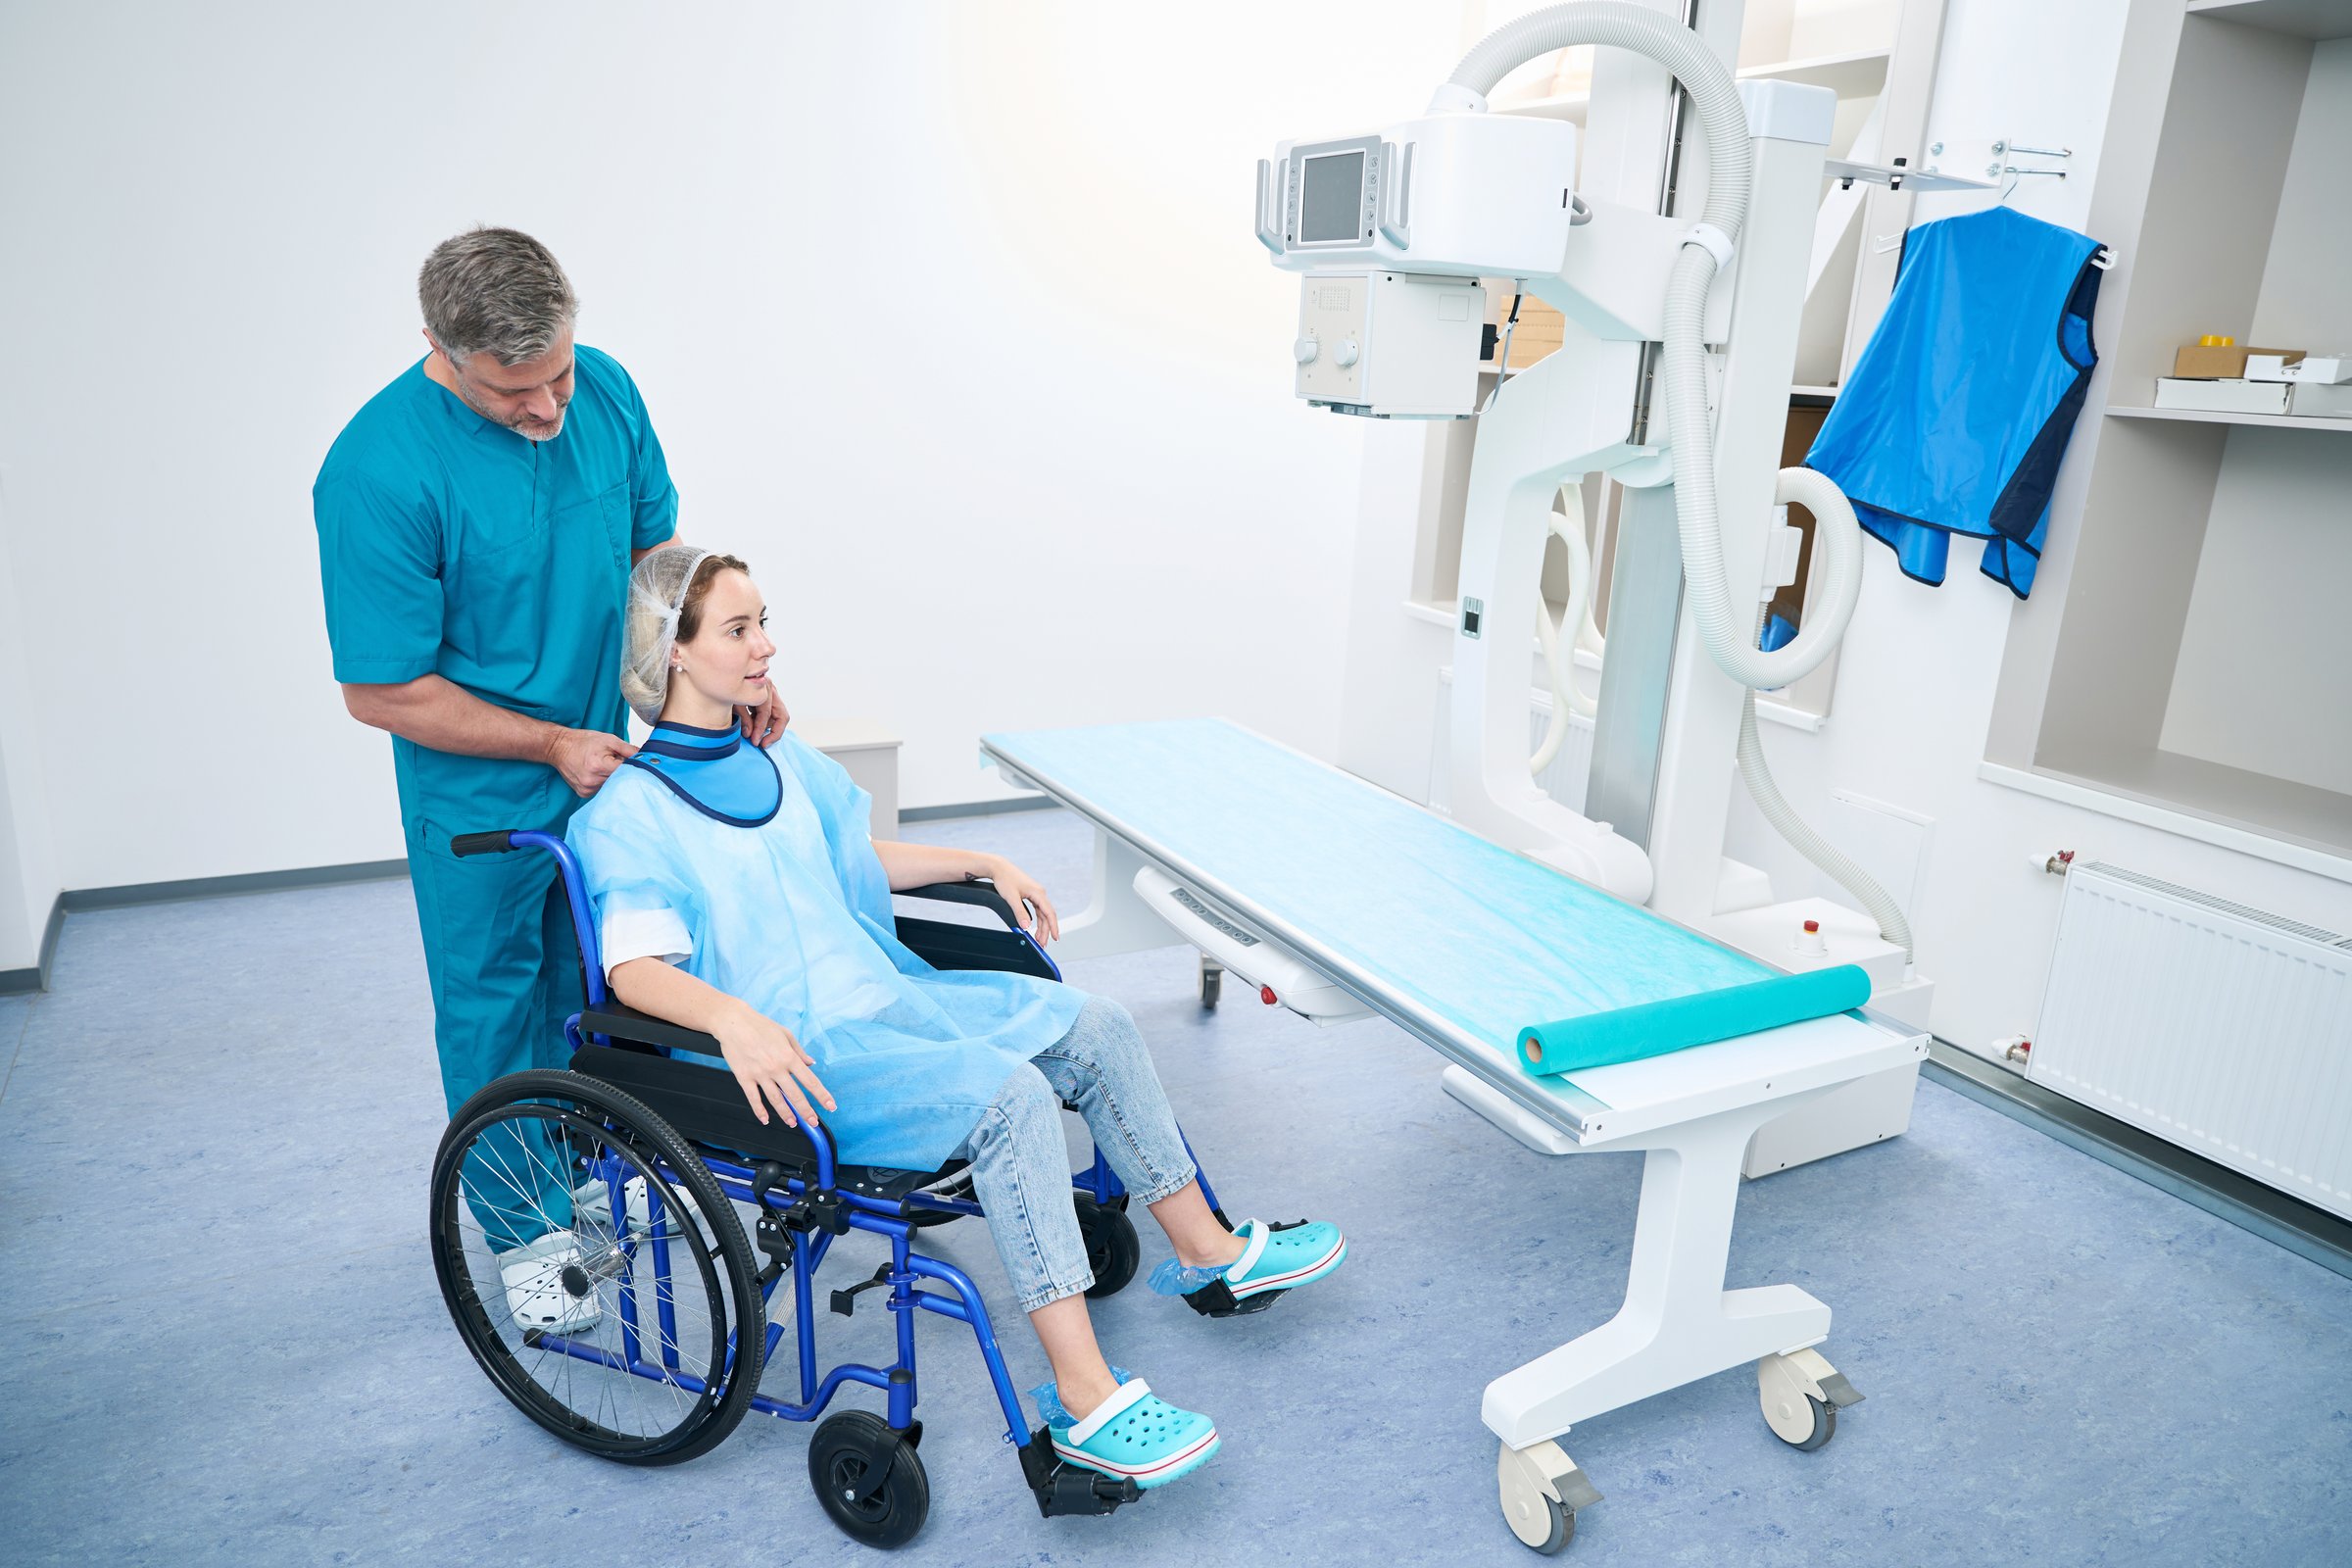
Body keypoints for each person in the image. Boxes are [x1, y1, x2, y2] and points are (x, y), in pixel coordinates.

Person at [563, 545, 1350, 1493]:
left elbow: (854, 857)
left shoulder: (779, 759)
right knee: (1010, 1098)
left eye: (764, 620)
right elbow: (635, 967)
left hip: (893, 1000)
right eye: (738, 630)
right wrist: (732, 1019)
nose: (766, 645)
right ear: (674, 652)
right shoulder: (629, 815)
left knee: (1095, 1025)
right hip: (798, 1060)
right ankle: (1086, 1402)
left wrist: (978, 860)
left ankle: (1209, 1254)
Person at [312, 229, 785, 1273]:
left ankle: (588, 1166)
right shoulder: (377, 471)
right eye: (511, 391)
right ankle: (526, 1239)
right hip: (478, 793)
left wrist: (726, 668)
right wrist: (548, 741)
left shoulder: (605, 391)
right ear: (438, 346)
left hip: (606, 771)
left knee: (599, 977)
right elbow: (381, 687)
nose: (547, 408)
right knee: (496, 1000)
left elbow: (657, 565)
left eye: (558, 374)